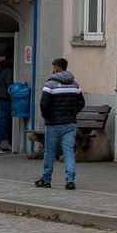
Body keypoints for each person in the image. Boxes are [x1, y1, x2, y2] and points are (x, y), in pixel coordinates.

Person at [35, 57, 84, 189]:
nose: (52, 70)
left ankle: (46, 180)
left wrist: (47, 117)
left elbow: (43, 104)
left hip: (53, 124)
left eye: (53, 67)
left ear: (56, 68)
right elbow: (81, 103)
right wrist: (72, 114)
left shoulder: (49, 85)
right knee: (69, 152)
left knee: (49, 152)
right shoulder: (75, 85)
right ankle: (70, 181)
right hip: (70, 124)